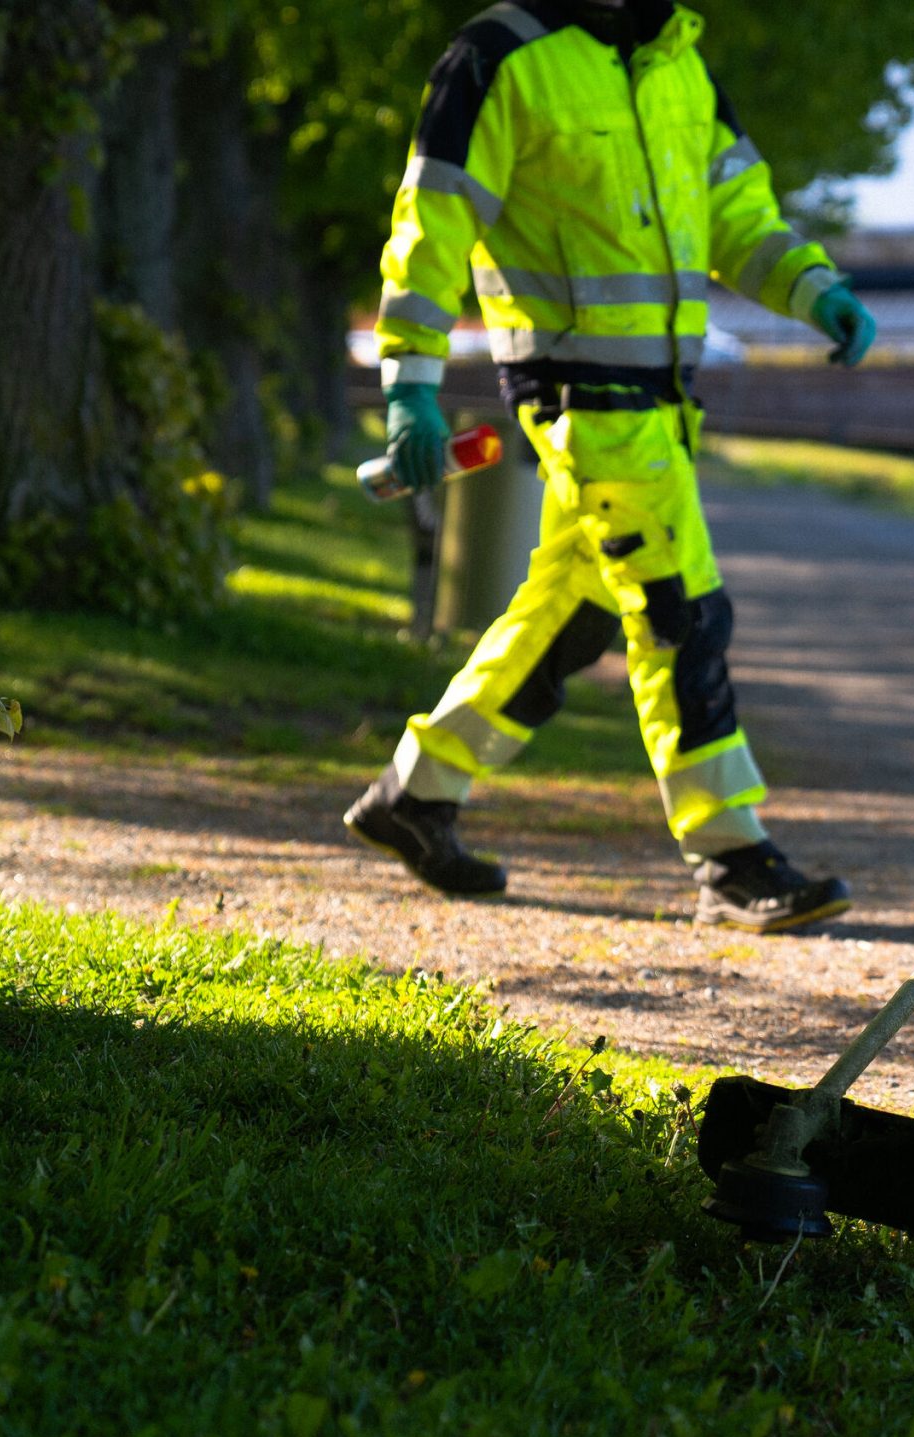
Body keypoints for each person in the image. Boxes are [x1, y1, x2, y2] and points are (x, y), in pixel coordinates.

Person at [347, 0, 877, 933]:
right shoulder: (497, 60)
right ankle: (730, 852)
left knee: (576, 609)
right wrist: (409, 384)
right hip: (578, 402)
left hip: (663, 405)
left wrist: (814, 287)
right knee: (682, 609)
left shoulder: (684, 63)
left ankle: (417, 795)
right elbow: (428, 225)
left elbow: (734, 215)